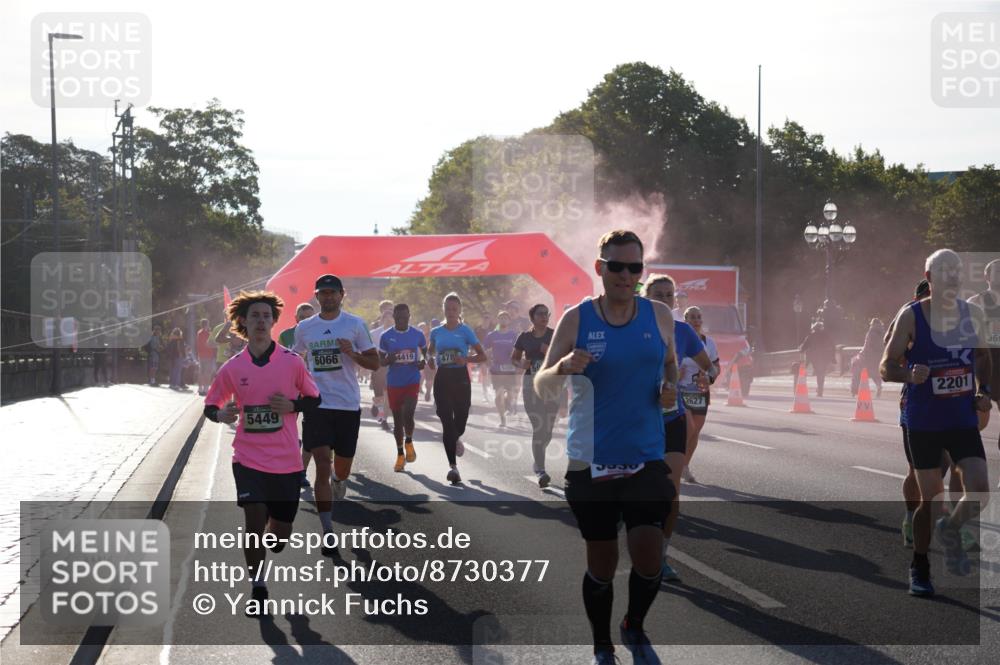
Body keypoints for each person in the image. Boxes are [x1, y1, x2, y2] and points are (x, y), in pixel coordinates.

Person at [535, 230, 678, 664]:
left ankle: (633, 622)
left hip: (645, 455)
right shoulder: (578, 319)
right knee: (602, 560)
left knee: (649, 554)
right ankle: (601, 642)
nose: (625, 275)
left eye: (635, 268)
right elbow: (541, 386)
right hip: (589, 460)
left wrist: (669, 387)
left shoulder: (659, 316)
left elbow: (669, 363)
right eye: (616, 266)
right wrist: (561, 366)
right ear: (599, 268)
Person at [880, 249, 992, 596]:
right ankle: (921, 565)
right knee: (930, 499)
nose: (952, 277)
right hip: (924, 420)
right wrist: (909, 374)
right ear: (930, 278)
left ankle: (953, 527)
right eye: (944, 272)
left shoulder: (973, 313)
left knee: (980, 490)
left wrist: (982, 390)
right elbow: (886, 366)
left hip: (961, 418)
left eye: (956, 272)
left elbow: (983, 356)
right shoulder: (911, 316)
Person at [203, 290, 321, 614]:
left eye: (266, 316)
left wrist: (293, 405)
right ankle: (258, 586)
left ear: (273, 322)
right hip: (248, 458)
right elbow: (210, 405)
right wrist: (220, 414)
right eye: (254, 315)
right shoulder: (233, 367)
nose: (260, 321)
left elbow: (315, 398)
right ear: (243, 321)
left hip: (285, 462)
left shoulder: (291, 362)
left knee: (279, 540)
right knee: (253, 520)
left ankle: (275, 529)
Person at [292, 274, 380, 556]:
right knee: (321, 463)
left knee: (340, 468)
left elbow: (374, 363)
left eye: (332, 292)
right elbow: (295, 360)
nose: (328, 297)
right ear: (316, 297)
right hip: (317, 405)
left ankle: (339, 481)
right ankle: (328, 532)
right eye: (322, 293)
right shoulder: (305, 328)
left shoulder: (354, 324)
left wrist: (352, 353)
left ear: (342, 295)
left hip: (347, 405)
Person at [642, 275, 717, 582]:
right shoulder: (632, 326)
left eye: (669, 295)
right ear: (645, 296)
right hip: (637, 421)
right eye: (657, 294)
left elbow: (709, 365)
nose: (664, 299)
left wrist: (707, 377)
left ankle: (661, 556)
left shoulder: (683, 331)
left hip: (672, 419)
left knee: (671, 492)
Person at [427, 293, 487, 484]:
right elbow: (430, 351)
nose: (451, 312)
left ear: (459, 310)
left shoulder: (466, 331)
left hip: (460, 377)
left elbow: (482, 356)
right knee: (446, 420)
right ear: (443, 309)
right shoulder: (436, 332)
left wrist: (466, 359)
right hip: (443, 377)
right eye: (448, 309)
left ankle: (455, 437)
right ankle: (453, 468)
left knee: (460, 420)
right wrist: (428, 359)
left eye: (454, 309)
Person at [513, 304, 559, 487]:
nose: (544, 317)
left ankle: (537, 456)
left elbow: (564, 356)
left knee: (548, 430)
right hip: (530, 386)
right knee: (539, 427)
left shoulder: (554, 334)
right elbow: (514, 358)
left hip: (551, 386)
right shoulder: (524, 337)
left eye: (546, 314)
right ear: (532, 317)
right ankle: (541, 469)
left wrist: (549, 352)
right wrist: (521, 364)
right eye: (540, 314)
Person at [379, 303, 427, 472]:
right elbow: (380, 360)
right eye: (398, 317)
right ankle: (400, 454)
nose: (401, 319)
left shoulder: (418, 334)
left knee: (409, 413)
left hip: (412, 379)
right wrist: (388, 360)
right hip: (394, 382)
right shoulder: (386, 336)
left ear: (409, 316)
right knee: (398, 421)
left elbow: (427, 353)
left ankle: (409, 441)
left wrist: (424, 362)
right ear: (394, 317)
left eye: (404, 316)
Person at [277, 302, 316, 487]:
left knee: (310, 432)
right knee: (288, 429)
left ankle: (301, 472)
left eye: (310, 317)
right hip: (291, 387)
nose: (306, 320)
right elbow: (280, 361)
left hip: (312, 387)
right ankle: (288, 464)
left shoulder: (320, 332)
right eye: (303, 317)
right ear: (296, 318)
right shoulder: (285, 335)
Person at [968, 258, 1000, 456]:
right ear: (986, 276)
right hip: (982, 369)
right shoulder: (975, 302)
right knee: (977, 424)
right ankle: (957, 458)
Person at [484, 311, 520, 428]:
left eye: (505, 318)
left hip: (510, 370)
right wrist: (487, 361)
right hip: (496, 369)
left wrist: (518, 361)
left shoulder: (513, 335)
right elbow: (485, 350)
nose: (503, 320)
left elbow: (520, 350)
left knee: (510, 395)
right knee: (498, 395)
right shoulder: (492, 335)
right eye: (501, 318)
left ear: (509, 321)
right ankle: (502, 418)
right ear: (498, 320)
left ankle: (508, 403)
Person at [369, 310, 395, 430]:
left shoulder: (397, 333)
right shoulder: (374, 333)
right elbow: (368, 349)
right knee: (379, 395)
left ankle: (383, 419)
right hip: (378, 368)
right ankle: (376, 405)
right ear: (382, 319)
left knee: (388, 396)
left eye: (391, 319)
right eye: (387, 319)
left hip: (392, 368)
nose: (389, 321)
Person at [799, 321, 835, 397]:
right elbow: (832, 346)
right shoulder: (826, 335)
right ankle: (820, 389)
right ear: (821, 328)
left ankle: (819, 389)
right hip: (825, 357)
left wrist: (801, 349)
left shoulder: (811, 335)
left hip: (815, 357)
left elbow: (804, 346)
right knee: (822, 373)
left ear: (814, 328)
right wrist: (833, 357)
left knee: (818, 372)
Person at [851, 318, 885, 397]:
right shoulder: (883, 332)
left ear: (872, 324)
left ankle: (854, 390)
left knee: (857, 370)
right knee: (875, 373)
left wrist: (862, 354)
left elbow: (867, 345)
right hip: (879, 355)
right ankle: (879, 386)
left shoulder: (871, 332)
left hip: (869, 356)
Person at [195, 318, 215, 396]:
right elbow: (211, 344)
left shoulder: (199, 333)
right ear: (207, 324)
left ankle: (200, 388)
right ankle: (206, 388)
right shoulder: (209, 334)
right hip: (208, 355)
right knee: (207, 372)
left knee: (201, 372)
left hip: (201, 355)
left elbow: (198, 344)